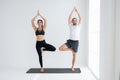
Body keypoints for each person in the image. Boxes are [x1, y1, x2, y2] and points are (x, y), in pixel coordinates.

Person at [59, 7, 82, 71]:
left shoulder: (78, 25)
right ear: (72, 21)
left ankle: (72, 66)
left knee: (74, 55)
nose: (74, 21)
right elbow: (69, 18)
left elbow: (80, 18)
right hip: (70, 41)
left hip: (76, 42)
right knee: (60, 48)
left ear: (76, 21)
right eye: (73, 20)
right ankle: (71, 49)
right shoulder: (70, 25)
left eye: (75, 20)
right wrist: (72, 11)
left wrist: (77, 11)